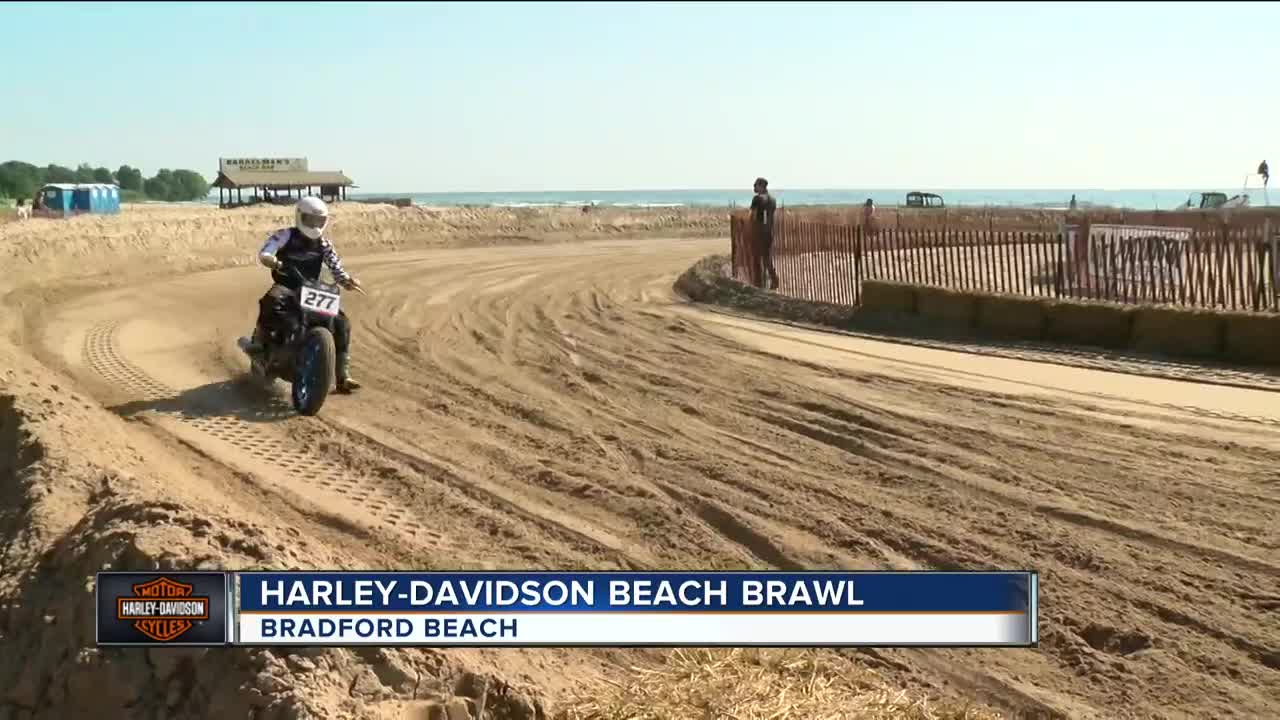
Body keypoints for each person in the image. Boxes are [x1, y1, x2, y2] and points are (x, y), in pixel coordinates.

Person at [245, 196, 364, 392]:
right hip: (287, 285)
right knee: (271, 300)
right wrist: (269, 259)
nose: (315, 225)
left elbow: (336, 269)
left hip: (313, 288)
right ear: (300, 217)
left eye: (319, 221)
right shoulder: (285, 235)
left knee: (342, 321)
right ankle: (260, 345)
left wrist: (348, 281)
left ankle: (343, 375)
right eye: (310, 220)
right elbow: (267, 251)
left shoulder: (324, 244)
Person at [750, 177, 779, 290]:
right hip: (769, 232)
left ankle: (759, 283)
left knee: (757, 257)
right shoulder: (772, 199)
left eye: (756, 185)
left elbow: (753, 215)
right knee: (766, 258)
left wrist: (750, 228)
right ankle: (773, 279)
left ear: (761, 186)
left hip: (759, 231)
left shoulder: (757, 199)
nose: (754, 187)